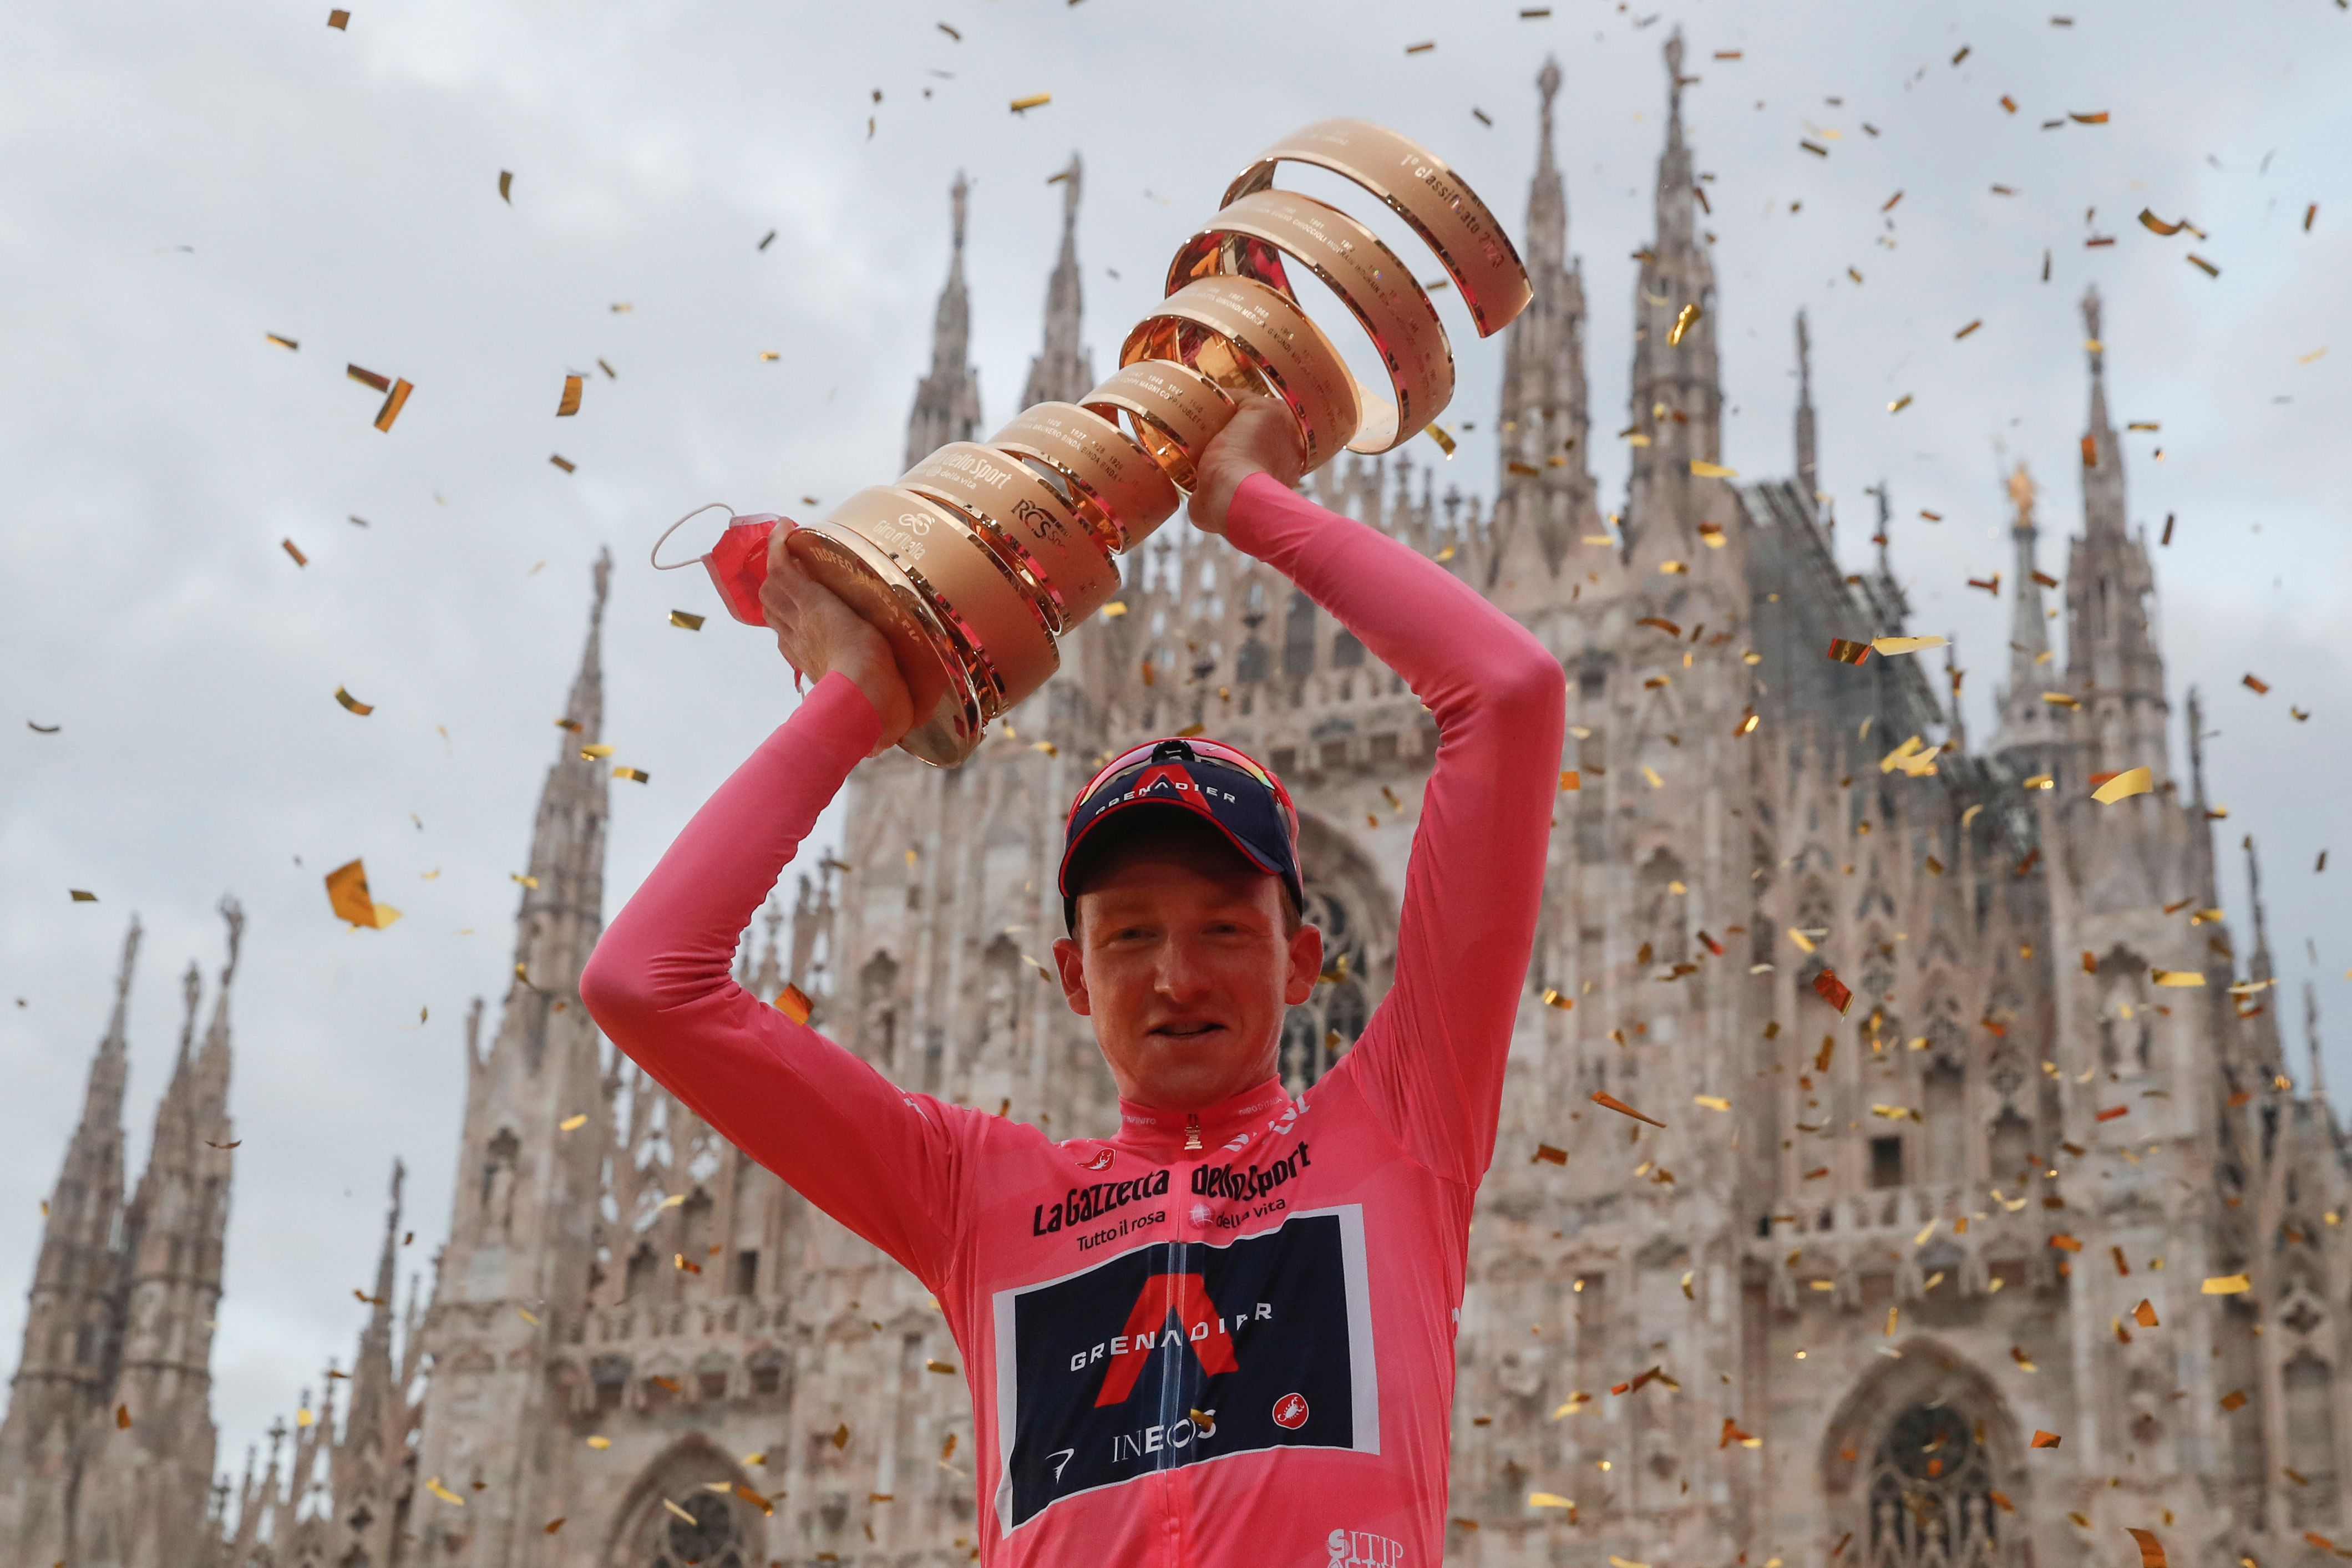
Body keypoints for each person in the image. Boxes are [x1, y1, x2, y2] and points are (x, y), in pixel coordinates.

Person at [581, 394, 1567, 1567]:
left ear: (1304, 961)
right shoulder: (972, 1196)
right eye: (1129, 937)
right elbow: (646, 984)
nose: (1178, 975)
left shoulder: (1400, 1127)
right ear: (1071, 977)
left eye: (1224, 928)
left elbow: (1508, 696)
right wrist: (857, 699)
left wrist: (1251, 507)